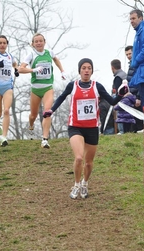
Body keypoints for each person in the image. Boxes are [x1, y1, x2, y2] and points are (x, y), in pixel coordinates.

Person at [42, 58, 128, 199]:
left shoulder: (97, 86)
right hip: (75, 126)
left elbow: (112, 101)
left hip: (92, 128)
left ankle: (85, 183)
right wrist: (51, 110)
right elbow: (61, 98)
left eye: (89, 68)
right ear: (79, 71)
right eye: (84, 68)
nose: (86, 70)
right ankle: (76, 184)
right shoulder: (73, 85)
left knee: (88, 162)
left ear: (92, 71)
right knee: (79, 158)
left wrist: (121, 94)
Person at [19, 33, 66, 148]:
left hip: (47, 88)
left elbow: (56, 60)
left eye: (41, 41)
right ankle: (31, 127)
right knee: (33, 115)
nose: (39, 43)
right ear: (33, 44)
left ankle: (44, 139)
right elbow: (20, 69)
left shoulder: (49, 52)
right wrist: (34, 70)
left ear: (44, 42)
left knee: (47, 112)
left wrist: (62, 71)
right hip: (35, 89)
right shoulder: (31, 55)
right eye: (36, 41)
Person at [125, 45, 143, 133]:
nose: (128, 56)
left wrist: (138, 97)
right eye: (127, 55)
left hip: (137, 94)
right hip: (132, 95)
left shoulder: (137, 64)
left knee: (139, 118)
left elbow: (140, 80)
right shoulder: (131, 65)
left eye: (130, 54)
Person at [111, 59, 127, 134]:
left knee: (120, 115)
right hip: (128, 98)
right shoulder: (124, 74)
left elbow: (118, 91)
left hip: (121, 100)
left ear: (112, 67)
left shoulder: (118, 77)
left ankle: (121, 131)